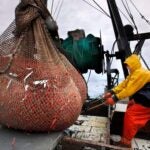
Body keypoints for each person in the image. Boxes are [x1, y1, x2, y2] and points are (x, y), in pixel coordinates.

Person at [104, 54, 150, 148]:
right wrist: (112, 91)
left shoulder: (140, 73)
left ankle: (126, 142)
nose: (128, 67)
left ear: (133, 64)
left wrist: (114, 98)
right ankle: (141, 127)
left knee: (131, 115)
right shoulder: (134, 73)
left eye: (128, 65)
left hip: (147, 100)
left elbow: (129, 89)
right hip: (144, 96)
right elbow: (124, 84)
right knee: (130, 104)